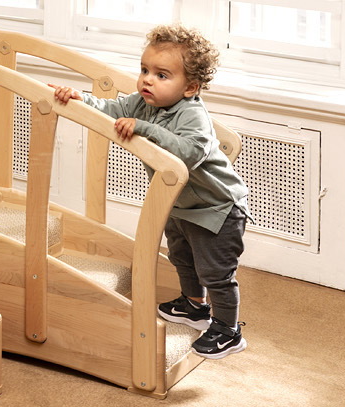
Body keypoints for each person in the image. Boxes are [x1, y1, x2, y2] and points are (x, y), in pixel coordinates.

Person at [50, 25, 250, 359]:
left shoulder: (193, 114)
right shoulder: (142, 103)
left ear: (190, 87)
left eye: (161, 75)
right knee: (181, 258)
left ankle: (228, 330)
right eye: (144, 70)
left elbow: (189, 153)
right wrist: (79, 99)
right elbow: (110, 109)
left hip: (218, 208)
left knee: (215, 272)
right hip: (179, 204)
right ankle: (194, 305)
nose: (147, 80)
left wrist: (146, 130)